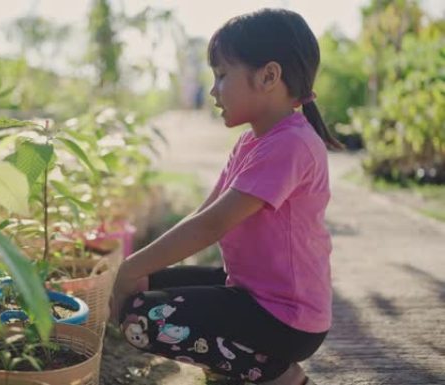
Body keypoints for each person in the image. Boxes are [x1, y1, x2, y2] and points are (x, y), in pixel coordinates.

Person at [109, 8, 343, 385]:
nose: (214, 90)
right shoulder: (252, 141)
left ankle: (278, 373)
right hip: (250, 291)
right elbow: (205, 215)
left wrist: (129, 266)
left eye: (221, 75)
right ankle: (234, 364)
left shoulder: (292, 144)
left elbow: (211, 226)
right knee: (147, 285)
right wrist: (138, 271)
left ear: (268, 76)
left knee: (142, 320)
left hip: (285, 317)